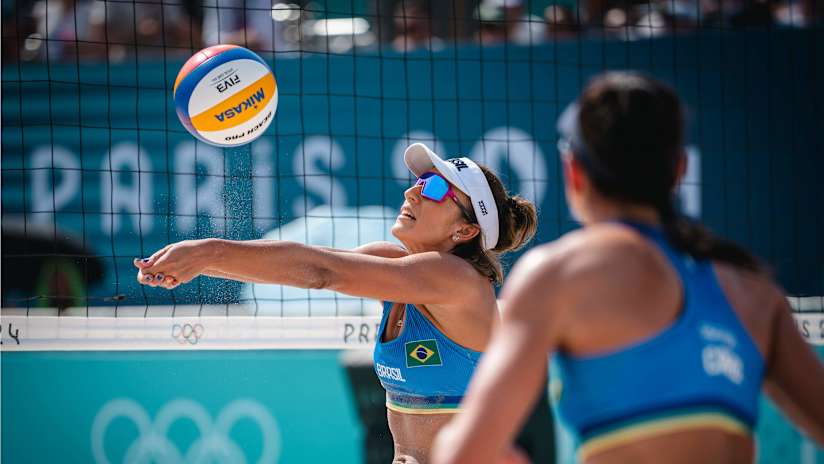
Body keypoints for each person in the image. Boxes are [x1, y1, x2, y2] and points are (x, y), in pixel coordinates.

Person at [432, 72, 824, 463]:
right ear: (679, 170)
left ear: (574, 173)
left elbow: (462, 455)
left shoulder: (556, 276)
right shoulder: (753, 292)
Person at [134, 143, 538, 464]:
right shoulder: (398, 267)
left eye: (435, 188)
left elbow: (321, 270)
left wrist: (207, 252)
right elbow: (302, 267)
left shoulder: (456, 280)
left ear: (465, 229)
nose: (413, 190)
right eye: (420, 180)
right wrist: (196, 267)